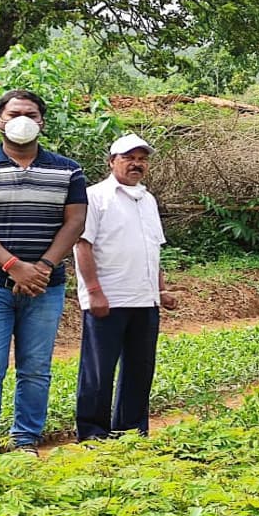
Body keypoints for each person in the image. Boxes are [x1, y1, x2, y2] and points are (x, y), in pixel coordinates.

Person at [0, 89, 88, 453]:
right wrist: (13, 266)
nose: (22, 120)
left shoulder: (68, 170)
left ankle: (26, 439)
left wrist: (42, 267)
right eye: (14, 114)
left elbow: (75, 222)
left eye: (31, 114)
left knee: (36, 368)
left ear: (42, 122)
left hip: (46, 286)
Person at [74, 133, 177, 440]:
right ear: (112, 161)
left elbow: (152, 248)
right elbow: (82, 245)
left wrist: (161, 290)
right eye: (128, 158)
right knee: (98, 371)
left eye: (142, 159)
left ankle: (131, 432)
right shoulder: (94, 197)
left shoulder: (148, 200)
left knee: (139, 369)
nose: (136, 164)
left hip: (145, 300)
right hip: (108, 298)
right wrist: (93, 291)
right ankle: (92, 433)